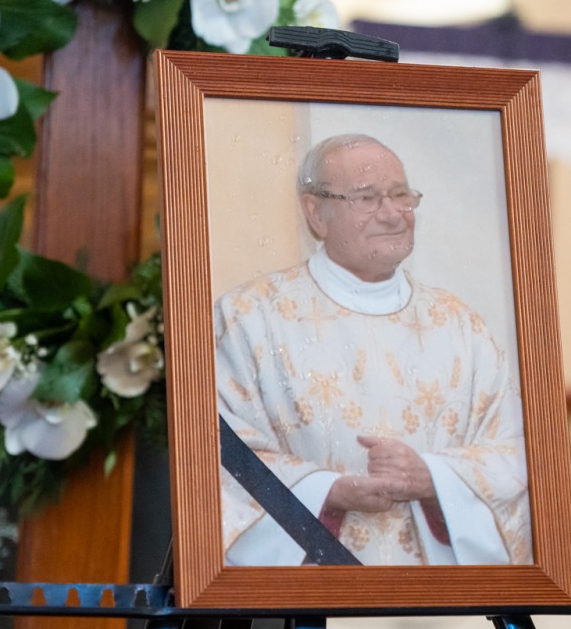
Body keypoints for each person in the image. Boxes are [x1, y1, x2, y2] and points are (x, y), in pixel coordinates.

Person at [214, 133, 532, 566]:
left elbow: (516, 451)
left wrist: (434, 478)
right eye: (367, 198)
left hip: (436, 598)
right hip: (309, 594)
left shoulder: (460, 325)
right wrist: (328, 491)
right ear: (316, 213)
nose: (392, 214)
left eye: (401, 195)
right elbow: (219, 458)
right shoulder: (249, 318)